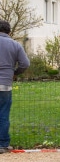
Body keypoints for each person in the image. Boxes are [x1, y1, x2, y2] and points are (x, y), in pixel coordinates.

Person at [0, 20, 30, 154]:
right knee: (3, 115)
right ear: (9, 31)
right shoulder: (15, 45)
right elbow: (25, 63)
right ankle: (3, 144)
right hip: (5, 83)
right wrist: (14, 73)